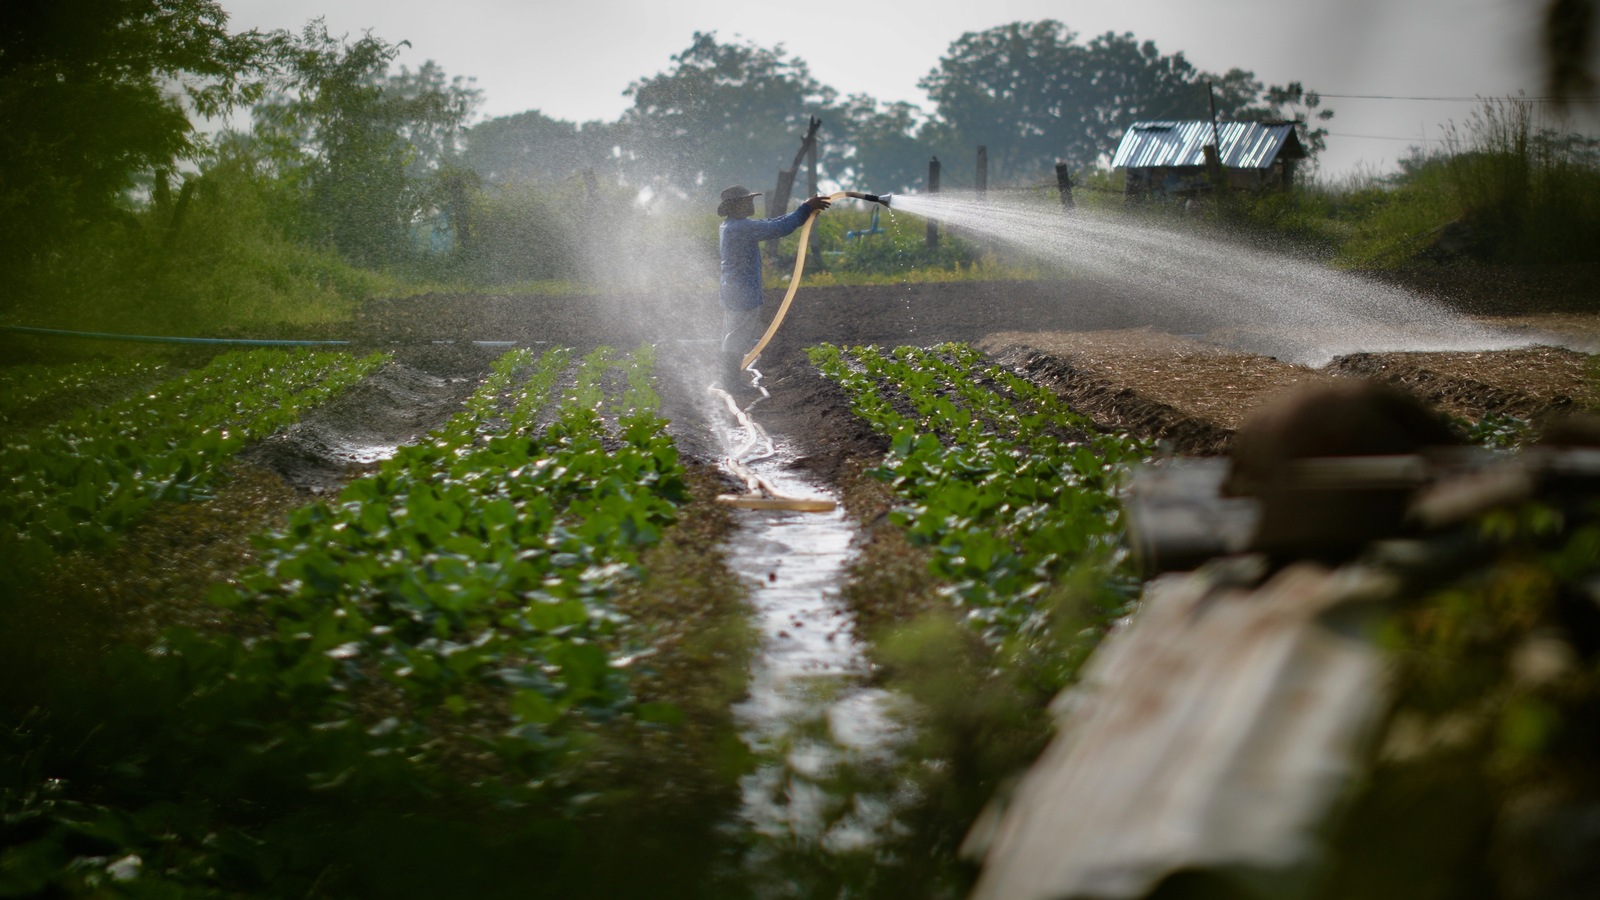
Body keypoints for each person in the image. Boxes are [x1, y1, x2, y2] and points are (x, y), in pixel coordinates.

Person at [716, 184, 831, 392]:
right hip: (741, 291)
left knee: (733, 335)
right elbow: (778, 228)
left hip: (733, 289)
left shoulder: (732, 226)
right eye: (746, 201)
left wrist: (804, 209)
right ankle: (730, 383)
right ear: (735, 206)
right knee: (737, 337)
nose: (751, 203)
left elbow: (770, 223)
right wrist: (804, 209)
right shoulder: (741, 228)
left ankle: (728, 380)